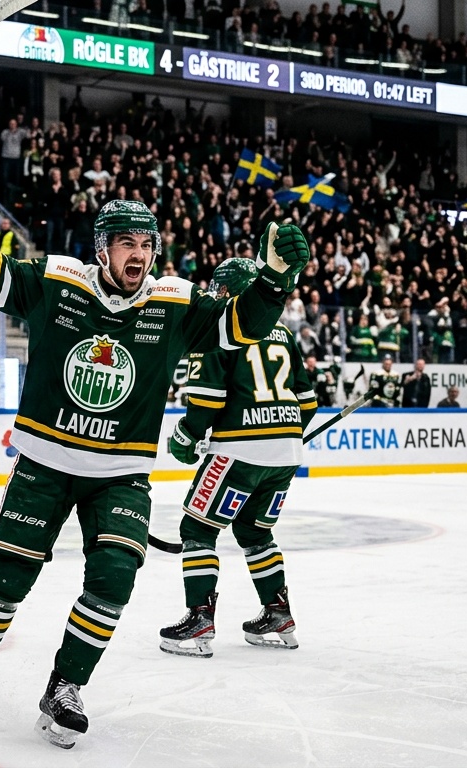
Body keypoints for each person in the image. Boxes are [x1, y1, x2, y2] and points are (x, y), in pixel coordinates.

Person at [0, 185, 306, 747]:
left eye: (147, 245)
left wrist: (273, 279)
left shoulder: (174, 302)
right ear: (102, 248)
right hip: (44, 462)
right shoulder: (58, 282)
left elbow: (239, 326)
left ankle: (65, 687)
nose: (139, 255)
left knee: (114, 579)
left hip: (120, 473)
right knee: (8, 577)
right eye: (127, 243)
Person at [159, 257, 316, 658]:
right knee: (254, 532)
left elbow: (207, 398)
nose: (215, 294)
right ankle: (278, 613)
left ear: (230, 290)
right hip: (285, 454)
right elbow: (308, 401)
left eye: (219, 288)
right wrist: (281, 432)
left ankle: (199, 618)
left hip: (239, 449)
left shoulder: (220, 326)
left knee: (197, 528)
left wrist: (186, 435)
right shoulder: (282, 331)